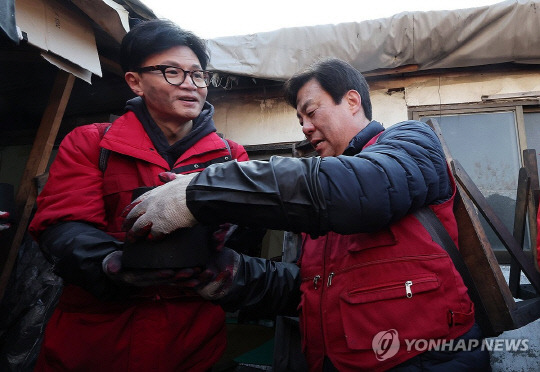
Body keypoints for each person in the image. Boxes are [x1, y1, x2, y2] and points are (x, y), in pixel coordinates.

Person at [124, 58, 492, 371]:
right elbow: (310, 288)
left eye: (311, 112)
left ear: (352, 101)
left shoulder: (410, 142)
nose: (304, 127)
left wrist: (204, 188)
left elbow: (360, 192)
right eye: (300, 118)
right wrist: (224, 275)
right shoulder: (321, 188)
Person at [28, 19, 251, 371]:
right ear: (135, 81)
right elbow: (62, 226)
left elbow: (245, 236)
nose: (190, 85)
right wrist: (108, 266)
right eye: (172, 72)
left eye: (198, 74)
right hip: (96, 339)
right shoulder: (92, 142)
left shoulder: (231, 156)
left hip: (191, 338)